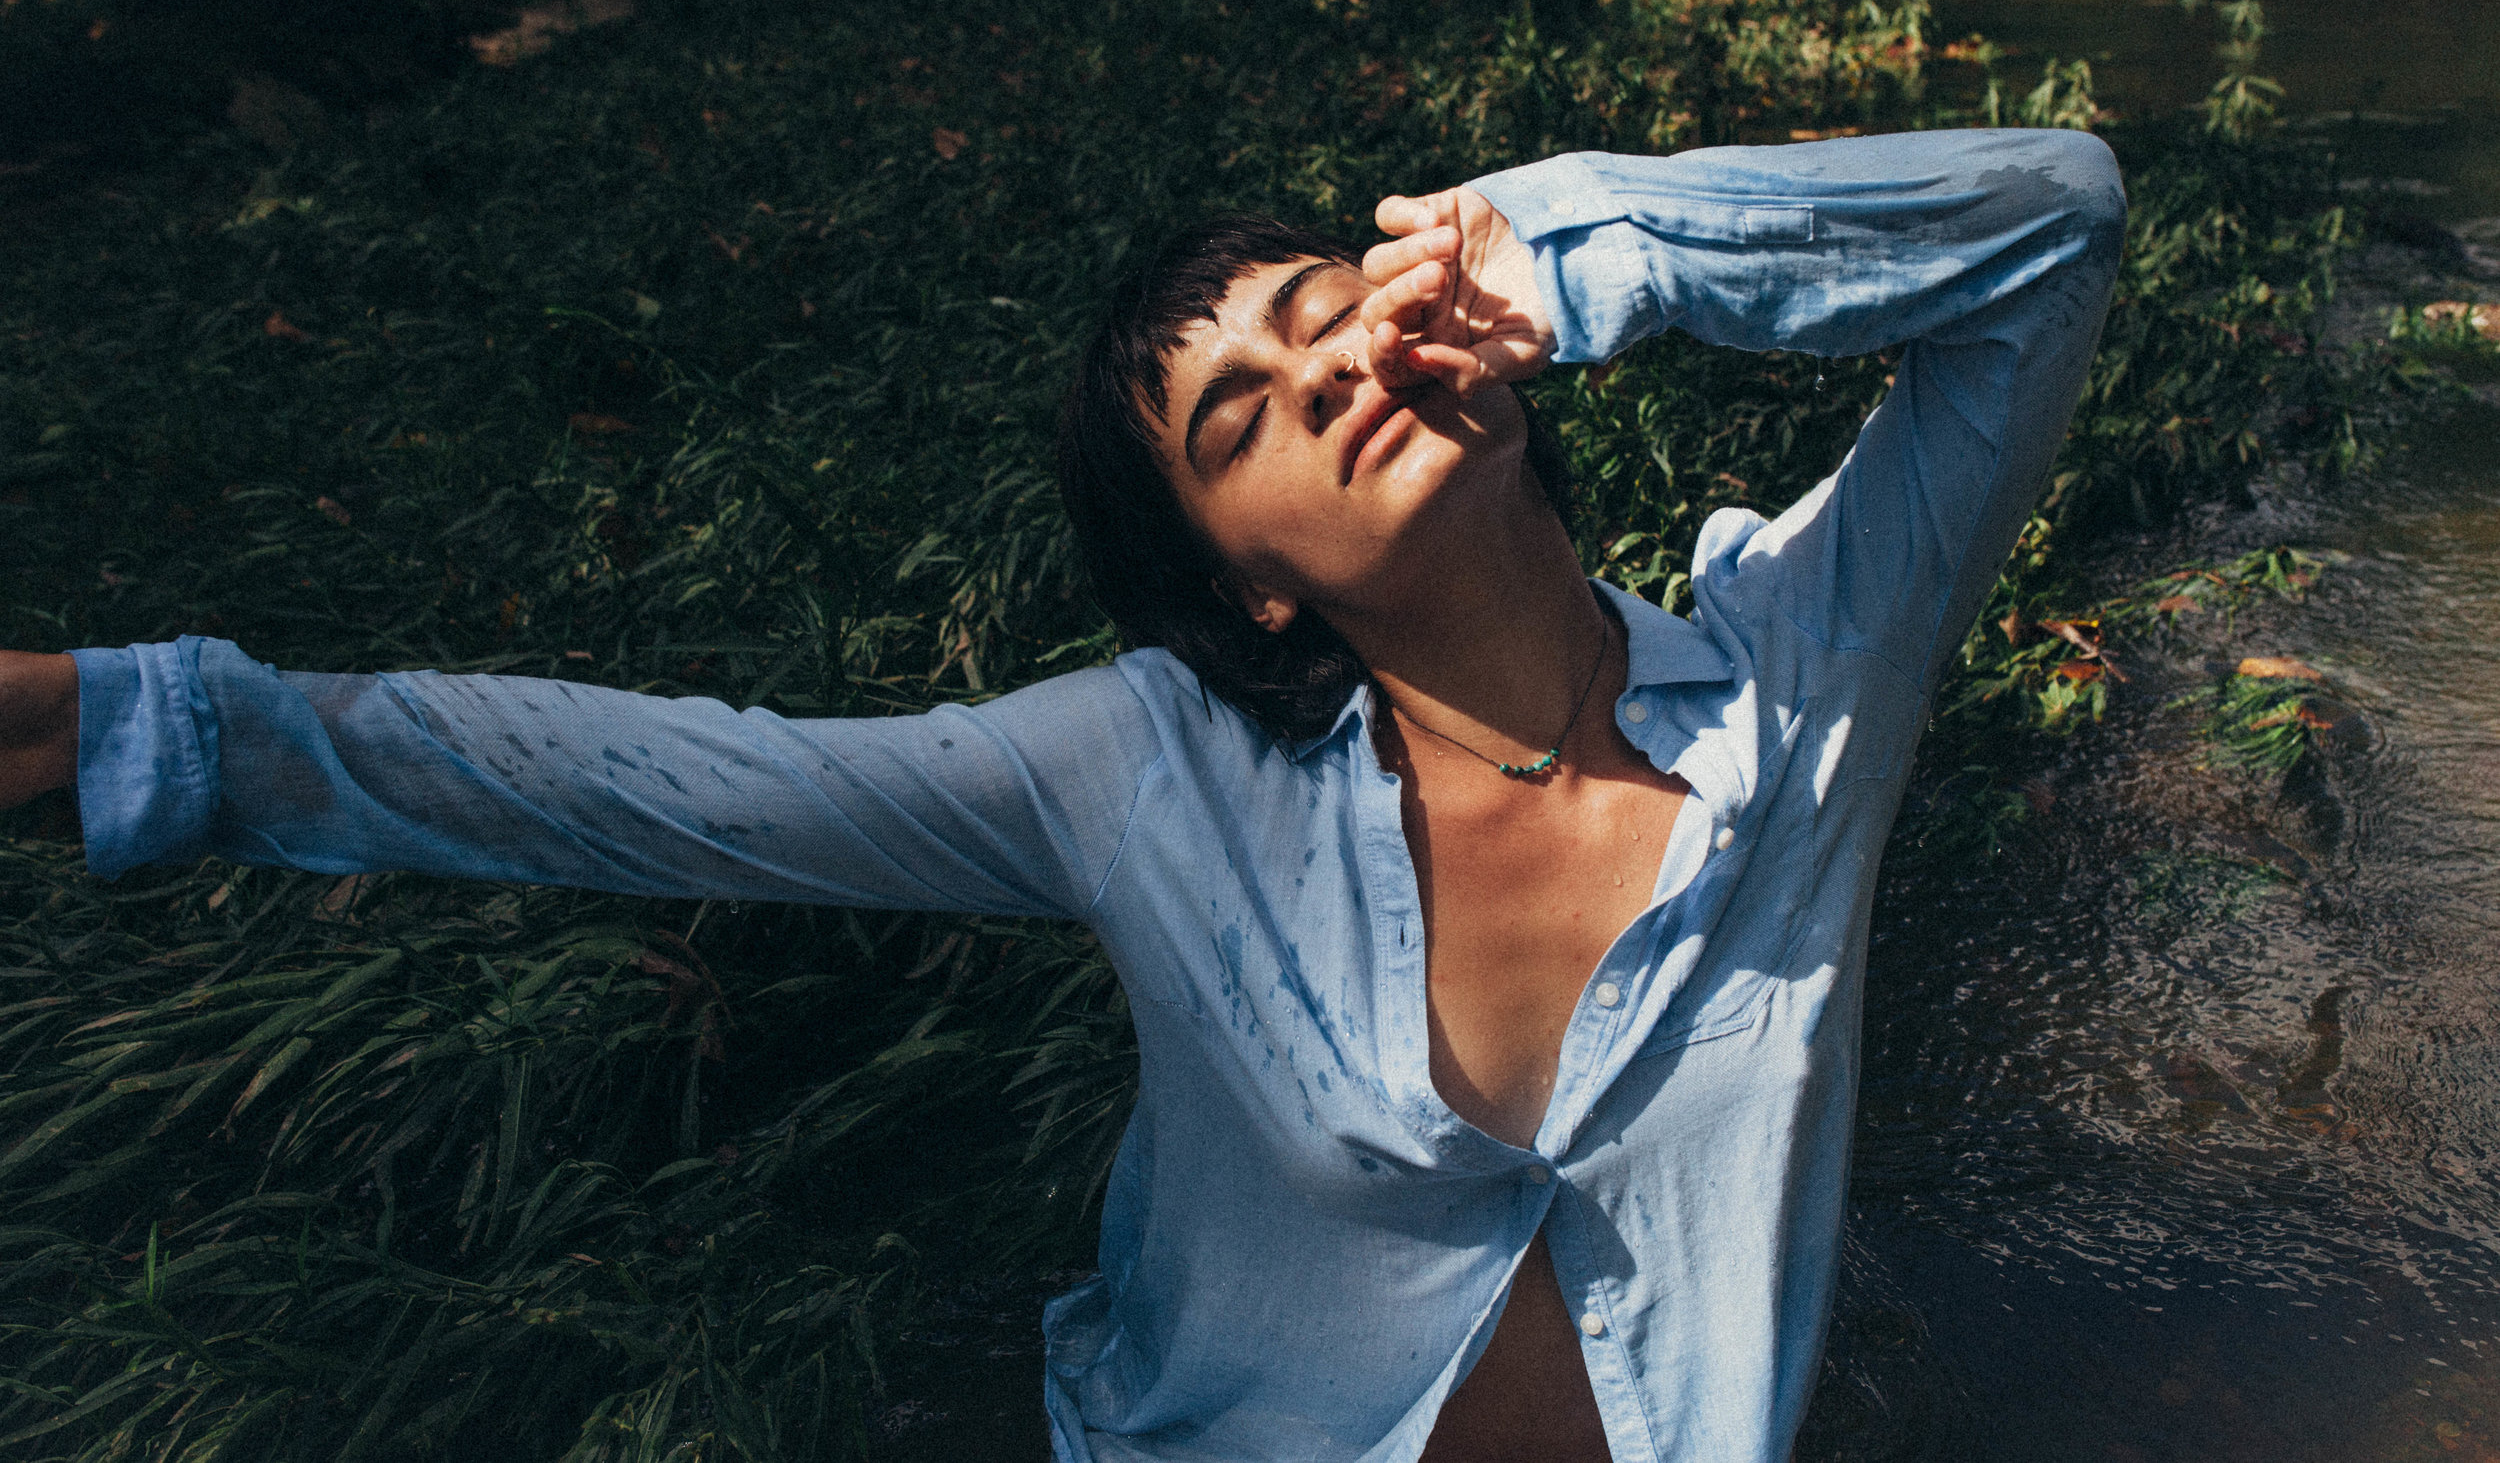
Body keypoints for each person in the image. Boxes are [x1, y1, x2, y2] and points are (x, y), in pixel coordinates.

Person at [0, 126, 2124, 1462]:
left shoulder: (1802, 671)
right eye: (1234, 419)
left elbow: (2049, 225)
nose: (1317, 373)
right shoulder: (1146, 772)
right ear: (1250, 582)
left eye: (1329, 311)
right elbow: (664, 788)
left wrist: (1582, 251)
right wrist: (123, 726)